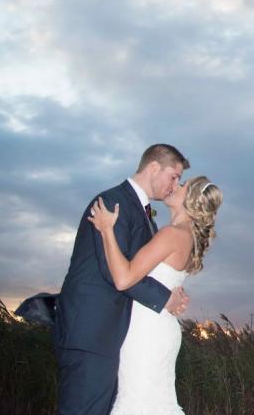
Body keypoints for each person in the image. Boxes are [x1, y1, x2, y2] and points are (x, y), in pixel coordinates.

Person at [53, 144, 192, 415]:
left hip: (112, 334)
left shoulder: (144, 212)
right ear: (154, 167)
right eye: (173, 176)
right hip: (91, 330)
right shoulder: (112, 203)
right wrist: (165, 297)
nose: (175, 184)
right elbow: (113, 270)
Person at [88, 174, 223, 415]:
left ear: (190, 201)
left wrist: (107, 230)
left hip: (147, 331)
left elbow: (123, 278)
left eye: (182, 186)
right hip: (159, 326)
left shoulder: (172, 234)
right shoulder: (186, 237)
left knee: (138, 403)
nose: (175, 187)